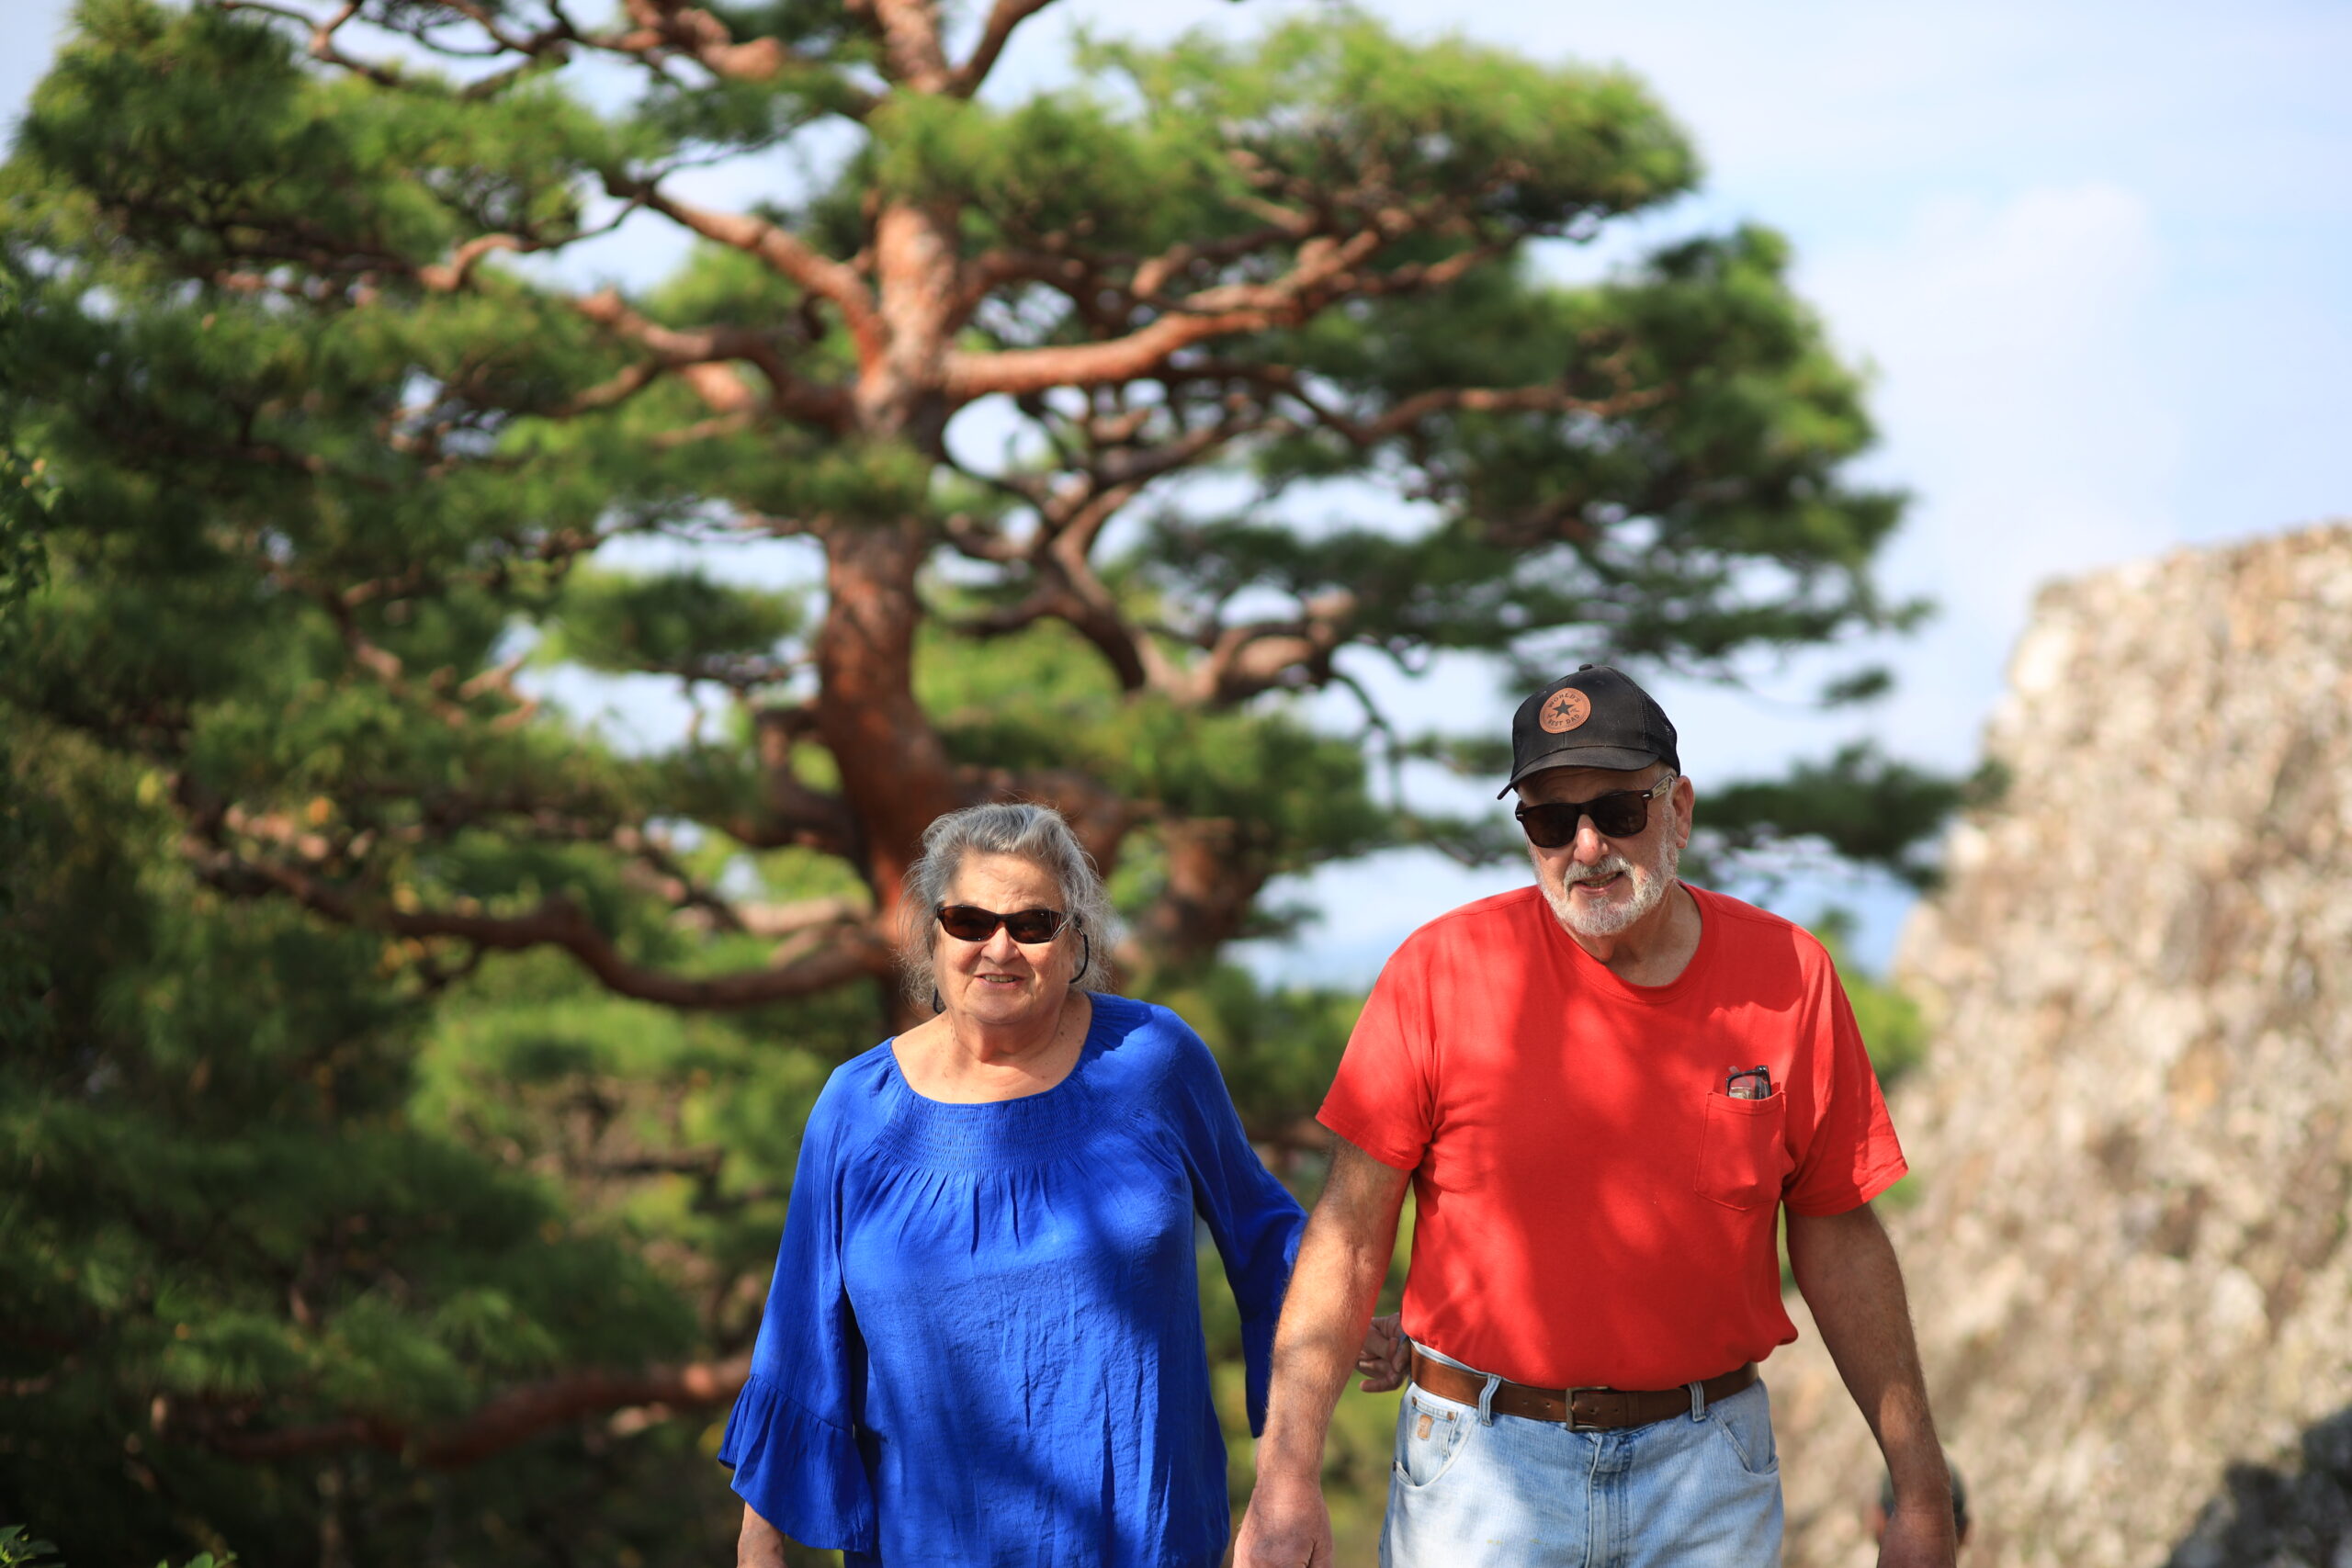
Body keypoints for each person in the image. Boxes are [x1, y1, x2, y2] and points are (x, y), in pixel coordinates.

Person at [1234, 665, 1957, 1568]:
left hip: (1706, 1473)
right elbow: (1345, 1238)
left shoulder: (1789, 977)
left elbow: (1839, 1238)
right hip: (1477, 1472)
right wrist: (1285, 1476)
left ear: (1678, 809)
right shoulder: (1436, 973)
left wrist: (1920, 1489)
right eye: (1548, 819)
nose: (1584, 847)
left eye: (1617, 811)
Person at [720, 803, 1308, 1568]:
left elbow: (1267, 1238)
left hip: (1143, 1542)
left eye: (1033, 923)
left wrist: (1353, 1321)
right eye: (968, 919)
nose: (999, 945)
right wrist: (758, 1544)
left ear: (1076, 943)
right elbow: (800, 1330)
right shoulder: (854, 1108)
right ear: (932, 935)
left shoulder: (1155, 1059)